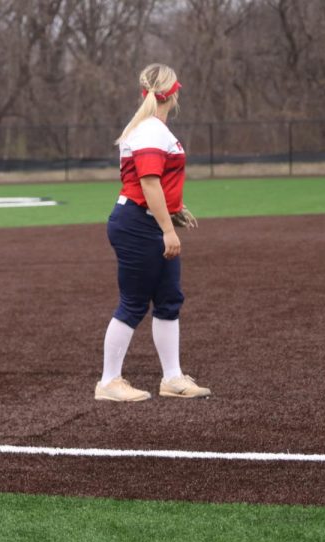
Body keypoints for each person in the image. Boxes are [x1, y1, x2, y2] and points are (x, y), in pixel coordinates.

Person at [94, 63, 211, 402]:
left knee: (169, 299)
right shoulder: (150, 130)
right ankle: (108, 382)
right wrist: (166, 229)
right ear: (173, 93)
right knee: (132, 303)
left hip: (144, 220)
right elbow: (148, 182)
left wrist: (174, 211)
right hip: (136, 224)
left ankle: (172, 378)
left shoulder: (152, 128)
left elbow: (156, 182)